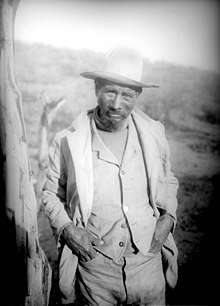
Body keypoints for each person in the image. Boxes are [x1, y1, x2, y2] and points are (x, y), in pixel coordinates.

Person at [42, 48, 179, 306]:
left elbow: (168, 179)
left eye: (127, 95)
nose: (117, 104)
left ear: (137, 96)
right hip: (95, 271)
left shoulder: (154, 135)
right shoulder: (67, 141)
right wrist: (68, 230)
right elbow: (51, 193)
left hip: (148, 266)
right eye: (110, 92)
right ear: (96, 88)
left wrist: (168, 218)